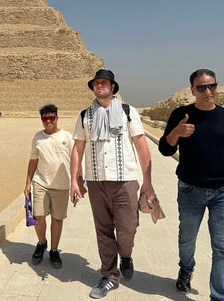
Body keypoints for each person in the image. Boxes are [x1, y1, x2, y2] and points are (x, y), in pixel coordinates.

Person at [158, 68, 224, 301]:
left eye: (212, 86)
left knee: (222, 248)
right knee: (187, 238)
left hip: (222, 191)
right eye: (201, 87)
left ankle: (219, 297)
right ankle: (186, 268)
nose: (208, 91)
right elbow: (165, 149)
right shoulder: (181, 115)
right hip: (190, 190)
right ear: (193, 90)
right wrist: (176, 133)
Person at [70, 69, 155, 299]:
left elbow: (142, 146)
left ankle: (125, 255)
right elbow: (78, 149)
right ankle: (109, 275)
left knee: (128, 227)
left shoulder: (128, 112)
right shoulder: (85, 116)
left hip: (125, 179)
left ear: (113, 87)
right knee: (103, 230)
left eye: (104, 82)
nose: (100, 85)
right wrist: (74, 181)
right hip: (97, 181)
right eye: (96, 83)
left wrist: (147, 182)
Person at [24, 104, 74, 269]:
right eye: (45, 118)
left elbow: (75, 161)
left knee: (57, 218)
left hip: (62, 184)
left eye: (51, 118)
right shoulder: (38, 137)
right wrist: (28, 183)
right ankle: (41, 243)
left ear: (57, 118)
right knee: (38, 215)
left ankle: (53, 250)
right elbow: (33, 161)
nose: (48, 121)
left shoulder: (67, 136)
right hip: (41, 182)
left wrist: (77, 183)